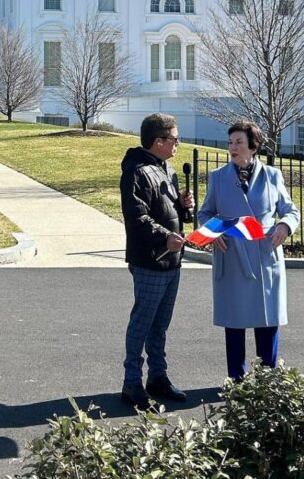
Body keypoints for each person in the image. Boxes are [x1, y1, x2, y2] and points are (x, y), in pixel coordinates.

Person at [197, 120, 300, 382]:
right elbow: (206, 212)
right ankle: (237, 379)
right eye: (230, 142)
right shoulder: (218, 177)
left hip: (264, 255)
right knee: (234, 322)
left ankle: (268, 381)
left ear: (253, 146)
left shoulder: (272, 176)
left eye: (239, 142)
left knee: (267, 321)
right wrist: (213, 231)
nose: (233, 147)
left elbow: (290, 210)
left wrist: (285, 226)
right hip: (232, 255)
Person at [120, 112, 194, 410]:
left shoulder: (167, 169)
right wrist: (165, 236)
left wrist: (183, 206)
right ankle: (132, 383)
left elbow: (170, 212)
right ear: (158, 141)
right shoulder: (136, 172)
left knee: (160, 324)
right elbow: (137, 217)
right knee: (142, 323)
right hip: (150, 260)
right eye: (174, 138)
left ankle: (158, 376)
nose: (178, 143)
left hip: (172, 260)